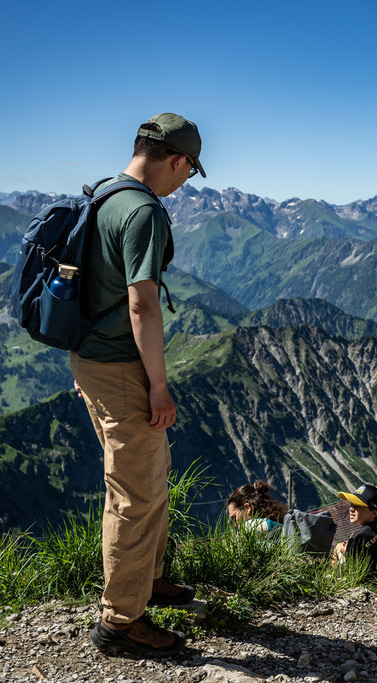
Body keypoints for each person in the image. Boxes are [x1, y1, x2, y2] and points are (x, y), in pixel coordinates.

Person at [73, 113, 205, 658]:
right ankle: (121, 623)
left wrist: (86, 369)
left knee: (149, 475)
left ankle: (147, 580)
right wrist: (158, 385)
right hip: (125, 370)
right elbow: (142, 301)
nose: (184, 182)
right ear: (176, 161)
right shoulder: (145, 210)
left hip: (92, 360)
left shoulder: (103, 193)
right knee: (135, 495)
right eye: (189, 172)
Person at [334, 484, 377, 578]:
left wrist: (346, 548)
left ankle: (335, 580)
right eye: (351, 505)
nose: (351, 509)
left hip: (366, 581)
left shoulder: (358, 537)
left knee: (339, 547)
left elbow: (351, 566)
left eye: (357, 506)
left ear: (373, 513)